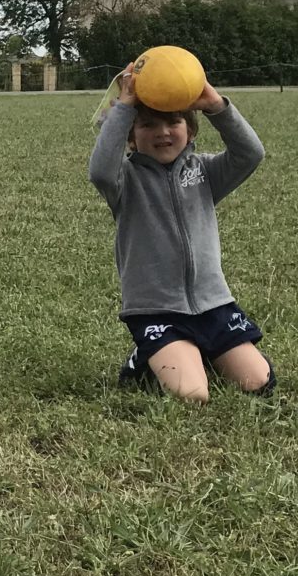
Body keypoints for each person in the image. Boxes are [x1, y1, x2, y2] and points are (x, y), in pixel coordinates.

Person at [88, 66, 273, 402]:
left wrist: (216, 104)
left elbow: (251, 154)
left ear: (190, 129)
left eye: (173, 122)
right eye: (147, 125)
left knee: (258, 383)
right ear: (131, 136)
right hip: (156, 310)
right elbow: (100, 171)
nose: (163, 132)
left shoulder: (205, 172)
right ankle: (144, 360)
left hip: (213, 305)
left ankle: (196, 352)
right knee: (192, 395)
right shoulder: (124, 181)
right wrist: (125, 105)